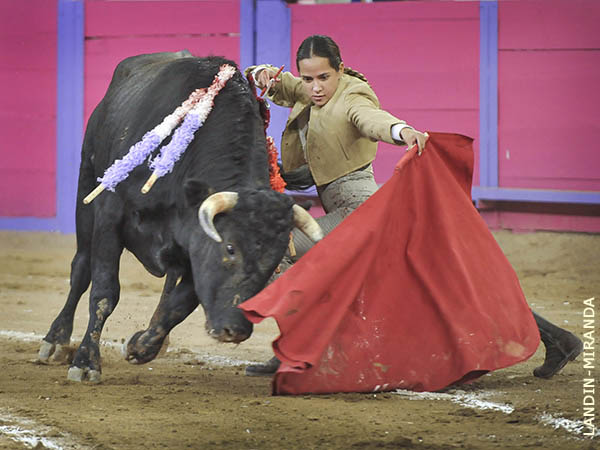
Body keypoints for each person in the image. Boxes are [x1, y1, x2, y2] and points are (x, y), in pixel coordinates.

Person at [243, 35, 582, 378]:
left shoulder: (352, 96)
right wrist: (261, 73)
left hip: (358, 213)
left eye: (323, 78)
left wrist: (401, 130)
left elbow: (371, 118)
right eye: (308, 78)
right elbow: (281, 85)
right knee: (444, 286)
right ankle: (559, 339)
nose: (315, 87)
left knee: (275, 248)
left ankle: (296, 347)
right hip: (354, 211)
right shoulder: (313, 90)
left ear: (340, 70)